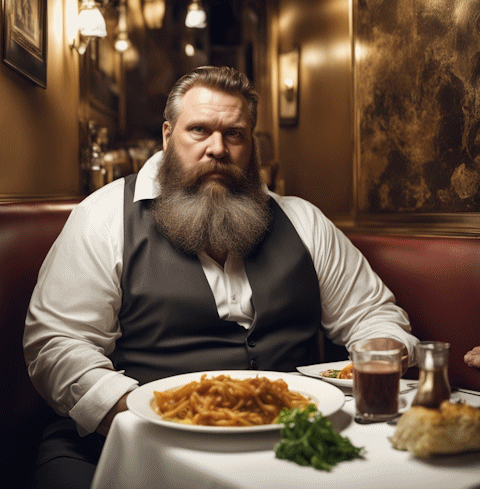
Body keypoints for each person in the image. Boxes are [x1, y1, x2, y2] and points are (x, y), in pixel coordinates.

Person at [23, 65, 418, 488]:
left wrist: (379, 349)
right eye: (199, 131)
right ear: (167, 134)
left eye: (234, 134)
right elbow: (58, 344)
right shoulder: (102, 217)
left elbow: (373, 315)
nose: (217, 148)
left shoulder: (304, 221)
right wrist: (139, 413)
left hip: (288, 446)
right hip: (129, 443)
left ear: (252, 145)